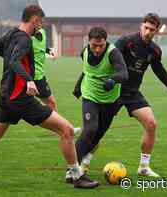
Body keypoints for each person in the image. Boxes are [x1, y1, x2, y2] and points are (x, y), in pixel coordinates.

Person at [0, 4, 99, 189]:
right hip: (20, 98)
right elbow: (13, 60)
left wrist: (14, 67)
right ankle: (77, 176)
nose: (41, 26)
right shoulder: (24, 40)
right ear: (35, 19)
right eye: (41, 22)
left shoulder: (12, 34)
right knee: (67, 130)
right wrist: (28, 80)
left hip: (5, 97)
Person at [81, 13, 167, 177]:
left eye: (152, 29)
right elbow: (106, 59)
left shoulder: (155, 51)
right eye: (145, 28)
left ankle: (144, 167)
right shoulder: (125, 42)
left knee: (151, 124)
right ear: (141, 26)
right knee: (97, 130)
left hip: (132, 93)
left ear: (157, 31)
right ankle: (84, 163)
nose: (147, 32)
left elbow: (158, 69)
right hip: (114, 91)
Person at [0, 28, 82, 133]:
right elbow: (11, 52)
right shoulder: (25, 38)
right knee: (50, 102)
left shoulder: (42, 32)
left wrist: (48, 50)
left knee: (28, 103)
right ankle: (62, 129)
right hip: (33, 77)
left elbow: (39, 46)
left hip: (39, 75)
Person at [66, 27, 128, 182]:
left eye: (101, 45)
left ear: (105, 42)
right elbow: (87, 71)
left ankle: (80, 165)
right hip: (90, 96)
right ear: (89, 42)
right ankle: (72, 171)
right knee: (89, 130)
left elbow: (124, 73)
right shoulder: (84, 52)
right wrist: (78, 86)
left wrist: (113, 80)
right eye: (94, 45)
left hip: (110, 101)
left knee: (97, 135)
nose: (98, 49)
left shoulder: (113, 53)